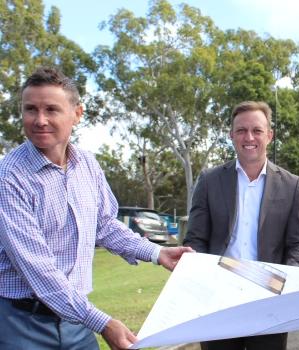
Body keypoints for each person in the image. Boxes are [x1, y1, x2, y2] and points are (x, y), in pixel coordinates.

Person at [0, 66, 194, 350]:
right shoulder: (9, 177)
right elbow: (38, 269)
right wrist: (103, 323)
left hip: (76, 322)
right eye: (31, 110)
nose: (40, 120)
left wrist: (157, 252)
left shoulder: (87, 165)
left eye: (51, 109)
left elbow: (104, 225)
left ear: (77, 114)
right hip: (21, 324)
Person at [184, 100, 299, 350]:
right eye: (241, 130)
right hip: (217, 299)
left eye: (257, 130)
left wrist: (284, 282)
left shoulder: (291, 184)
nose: (249, 137)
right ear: (231, 135)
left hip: (269, 300)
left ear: (269, 136)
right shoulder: (209, 181)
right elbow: (195, 239)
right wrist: (194, 268)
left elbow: (297, 245)